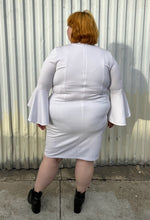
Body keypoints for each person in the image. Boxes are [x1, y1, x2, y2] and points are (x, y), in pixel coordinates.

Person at [27, 10, 131, 214]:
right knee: (86, 158)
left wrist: (40, 115)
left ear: (74, 30)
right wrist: (114, 116)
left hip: (61, 116)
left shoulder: (58, 53)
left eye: (69, 25)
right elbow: (116, 89)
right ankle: (79, 197)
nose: (67, 29)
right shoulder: (106, 57)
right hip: (94, 117)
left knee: (52, 157)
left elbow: (42, 86)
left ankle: (36, 195)